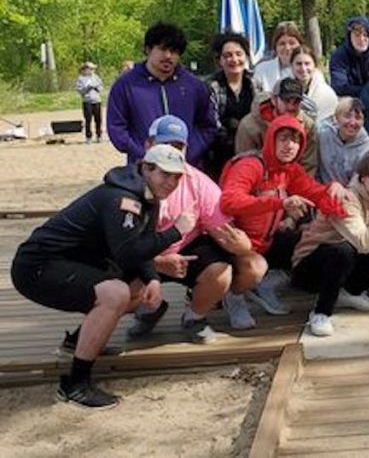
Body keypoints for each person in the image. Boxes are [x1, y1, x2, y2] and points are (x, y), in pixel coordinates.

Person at [11, 144, 187, 408]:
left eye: (177, 176)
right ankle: (75, 384)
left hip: (69, 262)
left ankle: (77, 342)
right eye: (166, 174)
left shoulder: (147, 194)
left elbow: (141, 245)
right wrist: (176, 232)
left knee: (137, 287)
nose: (172, 182)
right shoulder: (123, 199)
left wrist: (151, 277)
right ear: (146, 168)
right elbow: (128, 252)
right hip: (37, 267)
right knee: (115, 293)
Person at [126, 116, 264, 339]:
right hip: (144, 254)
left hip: (185, 248)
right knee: (116, 292)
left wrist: (242, 246)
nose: (172, 152)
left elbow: (223, 231)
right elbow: (118, 246)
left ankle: (195, 316)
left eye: (178, 146)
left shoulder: (199, 182)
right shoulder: (126, 183)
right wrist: (157, 264)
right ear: (148, 146)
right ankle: (150, 309)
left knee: (232, 270)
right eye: (165, 145)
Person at [220, 114, 348, 317]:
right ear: (271, 139)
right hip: (235, 244)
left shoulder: (289, 170)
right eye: (284, 138)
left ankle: (263, 284)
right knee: (255, 269)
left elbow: (314, 191)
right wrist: (280, 203)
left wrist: (335, 188)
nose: (290, 145)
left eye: (296, 140)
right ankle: (233, 295)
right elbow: (229, 202)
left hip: (267, 242)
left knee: (314, 244)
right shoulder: (250, 165)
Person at [291, 150, 369, 336]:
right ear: (363, 177)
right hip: (308, 269)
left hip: (342, 264)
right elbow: (363, 243)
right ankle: (321, 312)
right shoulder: (346, 198)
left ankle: (350, 291)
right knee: (344, 250)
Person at [107, 22, 217, 166]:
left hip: (186, 166)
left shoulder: (195, 86)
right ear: (148, 49)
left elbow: (208, 126)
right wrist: (144, 154)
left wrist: (187, 153)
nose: (168, 56)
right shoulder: (126, 85)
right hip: (143, 167)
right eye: (162, 49)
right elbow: (117, 128)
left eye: (174, 51)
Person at [235, 77, 319, 176]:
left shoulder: (308, 126)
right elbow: (244, 164)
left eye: (296, 101)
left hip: (294, 181)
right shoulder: (249, 125)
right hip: (258, 179)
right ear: (274, 100)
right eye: (286, 101)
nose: (291, 107)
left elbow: (308, 165)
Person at [206, 32, 257, 181]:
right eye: (228, 55)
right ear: (220, 60)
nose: (234, 59)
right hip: (219, 154)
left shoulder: (255, 84)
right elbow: (213, 124)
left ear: (246, 57)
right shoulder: (211, 87)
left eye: (238, 54)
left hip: (252, 152)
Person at [318, 97, 369, 186]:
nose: (352, 122)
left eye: (358, 118)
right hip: (319, 190)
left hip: (349, 196)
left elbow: (358, 186)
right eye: (347, 116)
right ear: (336, 118)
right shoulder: (323, 135)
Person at [329, 17, 369, 99]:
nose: (361, 39)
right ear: (349, 37)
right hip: (349, 99)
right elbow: (339, 87)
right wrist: (366, 91)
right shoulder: (339, 56)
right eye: (357, 35)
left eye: (365, 35)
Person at [290, 45, 337, 122]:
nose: (303, 68)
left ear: (314, 66)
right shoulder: (283, 88)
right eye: (299, 64)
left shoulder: (327, 94)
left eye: (307, 64)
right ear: (291, 65)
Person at [253, 21, 303, 93]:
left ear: (300, 45)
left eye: (292, 43)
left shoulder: (310, 70)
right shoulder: (261, 69)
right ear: (275, 46)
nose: (287, 48)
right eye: (282, 44)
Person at [75, 61, 103, 144]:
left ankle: (99, 135)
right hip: (87, 101)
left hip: (97, 100)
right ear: (85, 69)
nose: (91, 70)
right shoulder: (80, 79)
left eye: (92, 69)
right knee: (88, 120)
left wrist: (96, 87)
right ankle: (88, 136)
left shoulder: (96, 77)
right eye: (90, 69)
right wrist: (88, 88)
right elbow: (79, 90)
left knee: (98, 119)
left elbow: (101, 87)